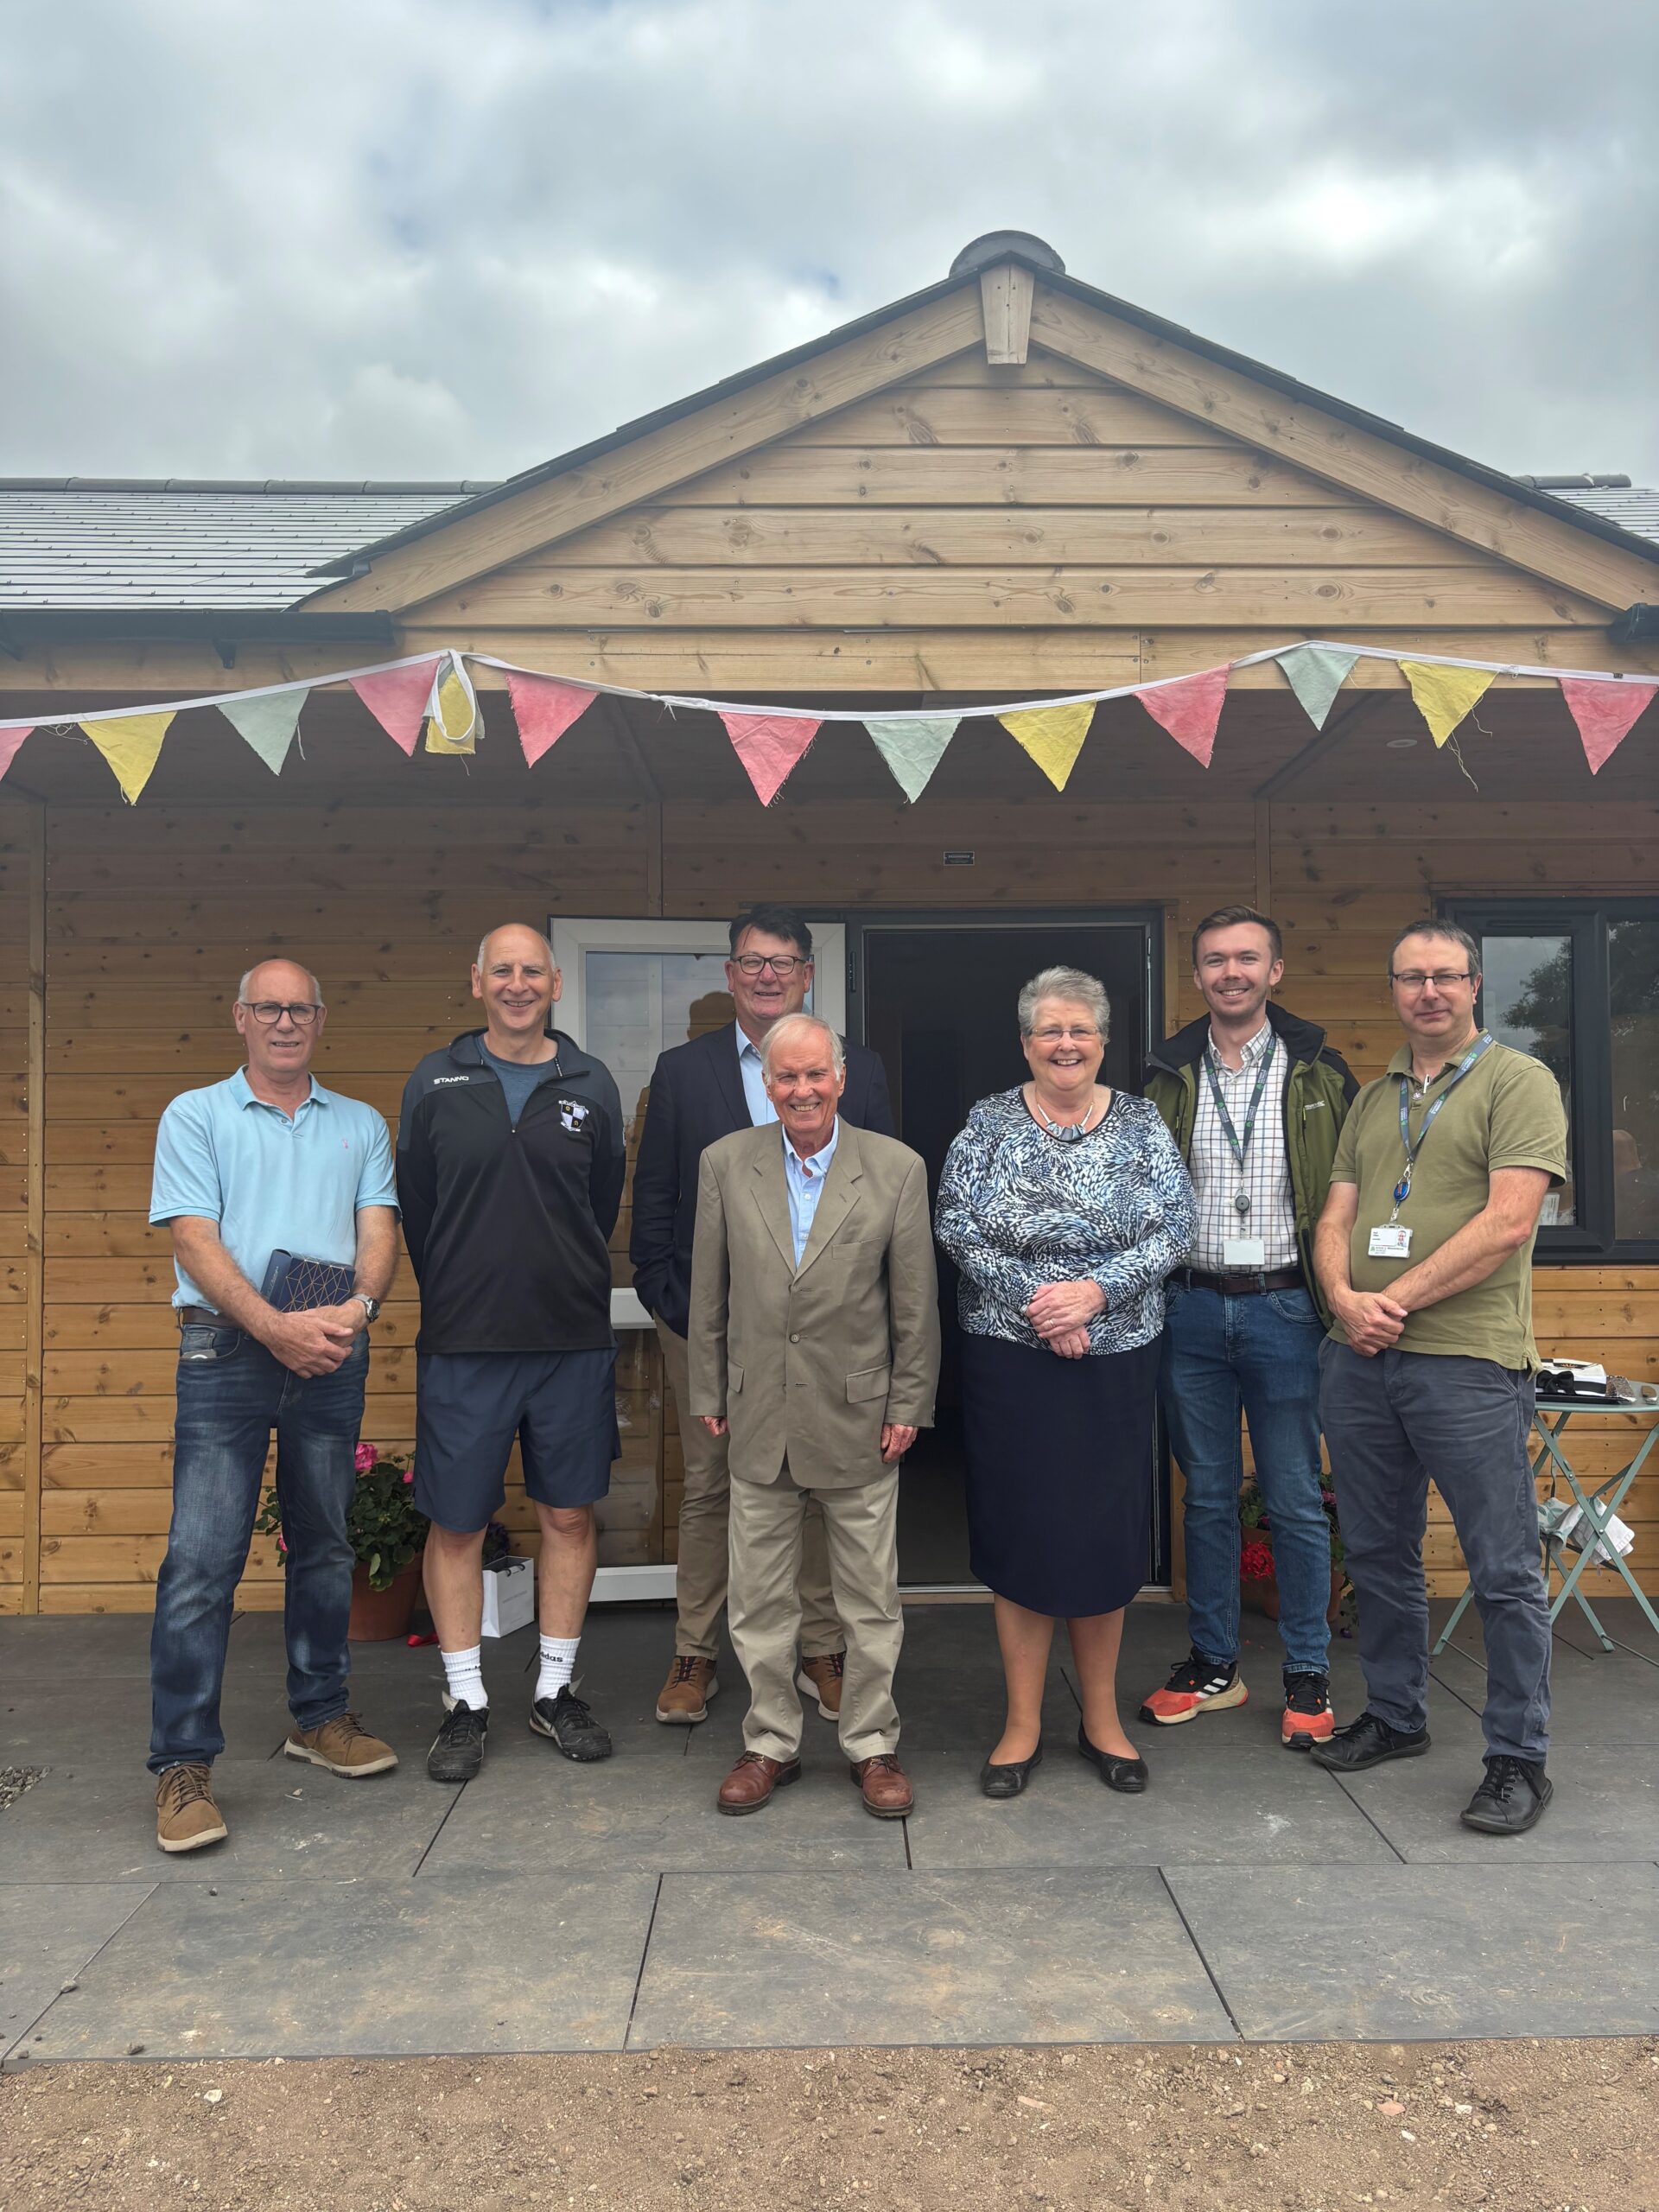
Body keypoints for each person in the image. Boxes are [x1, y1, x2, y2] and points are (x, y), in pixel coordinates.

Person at [1313, 921, 1567, 1836]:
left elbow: (1508, 1222)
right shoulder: (1375, 1094)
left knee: (1502, 1569)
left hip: (1465, 1360)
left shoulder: (1519, 1081)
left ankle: (1516, 1758)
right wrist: (1344, 1296)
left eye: (1445, 976)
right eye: (1412, 977)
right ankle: (1394, 1715)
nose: (1428, 991)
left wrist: (1392, 1302)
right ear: (1392, 989)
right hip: (1362, 1360)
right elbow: (1337, 1209)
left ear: (1475, 985)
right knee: (1379, 1553)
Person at [147, 960, 401, 1854]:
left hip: (332, 1349)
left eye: (300, 1008)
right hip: (224, 1349)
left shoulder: (362, 1125)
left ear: (321, 1020)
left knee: (325, 1540)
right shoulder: (197, 1115)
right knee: (202, 1556)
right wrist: (272, 1326)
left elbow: (379, 1234)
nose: (285, 1021)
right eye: (269, 1008)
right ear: (240, 1017)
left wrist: (357, 1312)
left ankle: (320, 1717)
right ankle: (183, 1764)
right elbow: (195, 1238)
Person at [631, 904, 896, 1728]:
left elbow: (884, 1207)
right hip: (716, 1334)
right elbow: (656, 1218)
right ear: (730, 974)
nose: (768, 974)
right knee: (714, 1488)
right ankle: (697, 1651)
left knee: (818, 1478)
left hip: (829, 1333)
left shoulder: (864, 1070)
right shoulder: (681, 1073)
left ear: (808, 972)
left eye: (784, 961)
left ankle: (822, 1647)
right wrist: (691, 1323)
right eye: (753, 961)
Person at [936, 968, 1194, 1800]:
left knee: (1103, 1534)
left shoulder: (1145, 1125)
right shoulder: (986, 1124)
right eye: (1049, 1031)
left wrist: (1097, 1292)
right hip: (1012, 1358)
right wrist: (1041, 1304)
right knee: (1023, 1531)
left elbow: (1177, 1226)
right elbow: (956, 1224)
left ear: (1103, 1041)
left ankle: (1101, 1719)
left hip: (1117, 1356)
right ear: (1025, 1043)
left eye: (1080, 1030)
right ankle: (1021, 1723)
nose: (1066, 1044)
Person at [687, 1014, 939, 1818]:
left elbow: (914, 1306)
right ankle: (769, 1744)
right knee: (761, 1600)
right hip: (756, 1410)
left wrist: (909, 1402)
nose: (801, 1090)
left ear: (841, 1078)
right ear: (768, 1085)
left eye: (815, 1076)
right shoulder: (725, 1164)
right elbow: (708, 1299)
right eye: (785, 1078)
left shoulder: (895, 1168)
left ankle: (872, 1745)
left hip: (860, 1415)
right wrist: (708, 1395)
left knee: (869, 1601)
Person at [397, 925, 626, 1783]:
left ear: (555, 982)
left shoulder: (591, 1083)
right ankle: (466, 1701)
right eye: (504, 970)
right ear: (477, 979)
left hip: (569, 1340)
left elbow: (598, 1204)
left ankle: (555, 1689)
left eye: (533, 970)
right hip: (465, 1342)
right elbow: (417, 1205)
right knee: (456, 1520)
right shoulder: (435, 1080)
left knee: (568, 1513)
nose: (519, 984)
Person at [1142, 905, 1358, 1749]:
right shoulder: (1165, 1074)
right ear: (1197, 976)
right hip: (1190, 1306)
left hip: (1286, 1307)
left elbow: (1351, 1191)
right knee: (1205, 1495)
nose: (1230, 973)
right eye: (1215, 961)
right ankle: (1214, 1664)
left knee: (1297, 1498)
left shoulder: (1322, 1072)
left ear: (1275, 972)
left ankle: (1306, 1670)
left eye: (1247, 959)